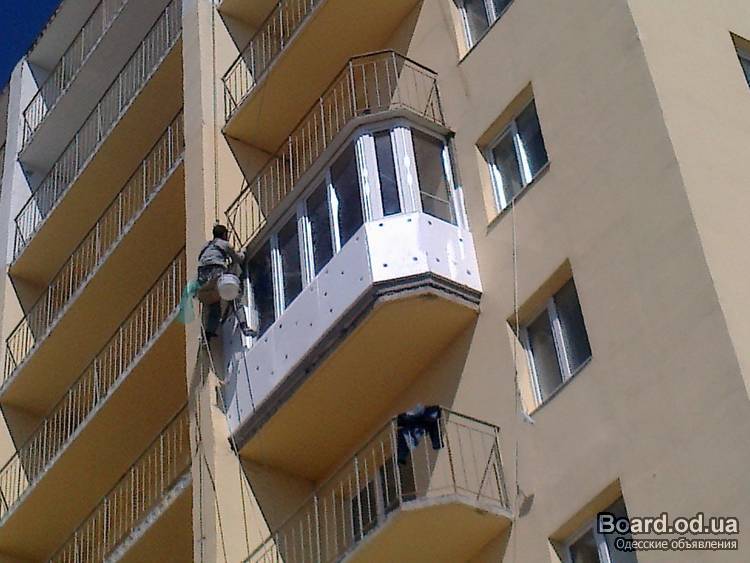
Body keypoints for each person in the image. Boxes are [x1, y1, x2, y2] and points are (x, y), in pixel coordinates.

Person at [197, 224, 245, 339]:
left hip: (203, 277)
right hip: (216, 271)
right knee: (234, 295)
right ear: (224, 234)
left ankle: (209, 333)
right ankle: (244, 324)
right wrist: (243, 251)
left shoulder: (205, 246)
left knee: (214, 304)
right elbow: (239, 259)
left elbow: (201, 259)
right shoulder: (224, 244)